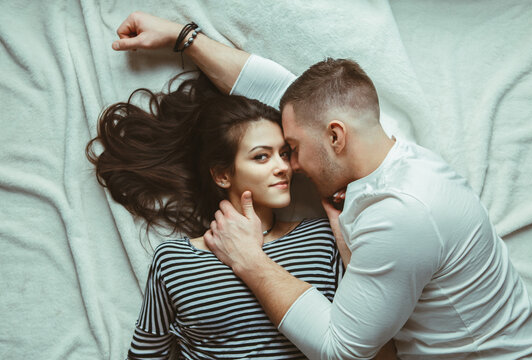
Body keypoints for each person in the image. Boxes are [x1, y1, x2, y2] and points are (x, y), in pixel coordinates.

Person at [112, 12, 532, 359]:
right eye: (270, 154)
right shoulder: (378, 145)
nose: (292, 166)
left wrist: (249, 258)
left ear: (335, 137)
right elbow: (280, 92)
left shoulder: (404, 213)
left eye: (292, 148)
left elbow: (342, 351)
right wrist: (184, 37)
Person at [86, 73, 345, 359]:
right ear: (223, 175)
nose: (283, 166)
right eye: (262, 156)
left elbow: (360, 339)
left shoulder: (321, 237)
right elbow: (146, 355)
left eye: (284, 153)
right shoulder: (174, 261)